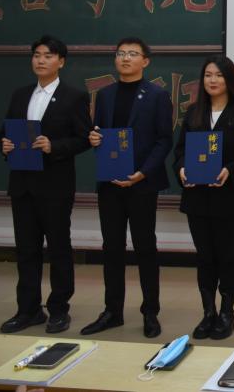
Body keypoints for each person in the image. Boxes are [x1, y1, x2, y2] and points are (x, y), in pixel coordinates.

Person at [0, 35, 92, 335]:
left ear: (61, 62)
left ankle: (59, 309)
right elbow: (4, 132)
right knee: (26, 250)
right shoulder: (20, 94)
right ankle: (28, 309)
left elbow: (83, 139)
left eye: (48, 55)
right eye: (37, 55)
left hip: (55, 186)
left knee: (59, 249)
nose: (41, 60)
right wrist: (5, 145)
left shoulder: (74, 96)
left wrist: (54, 146)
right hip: (22, 184)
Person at [81, 37, 173, 339]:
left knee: (145, 248)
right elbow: (100, 134)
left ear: (145, 61)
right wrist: (94, 139)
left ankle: (150, 312)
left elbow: (164, 140)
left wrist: (142, 173)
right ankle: (112, 311)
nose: (125, 58)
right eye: (121, 53)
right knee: (112, 248)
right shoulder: (105, 95)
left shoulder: (157, 95)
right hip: (110, 183)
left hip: (142, 184)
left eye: (133, 54)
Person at [172, 55, 234, 340]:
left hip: (228, 198)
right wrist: (181, 169)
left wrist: (230, 170)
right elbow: (180, 152)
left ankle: (227, 313)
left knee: (227, 256)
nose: (213, 80)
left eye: (219, 75)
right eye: (208, 75)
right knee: (205, 257)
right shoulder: (193, 113)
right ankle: (208, 312)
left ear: (229, 79)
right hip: (197, 198)